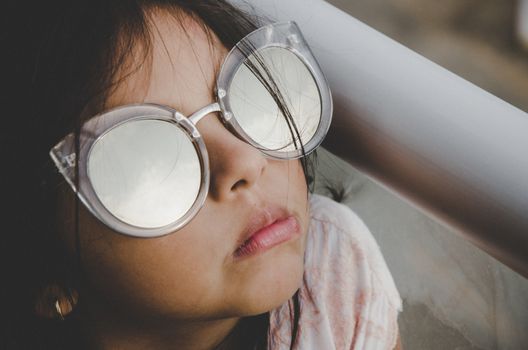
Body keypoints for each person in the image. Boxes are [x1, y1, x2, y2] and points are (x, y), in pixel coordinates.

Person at [3, 0, 402, 349]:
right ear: (44, 268)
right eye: (150, 152)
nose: (246, 160)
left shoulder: (334, 276)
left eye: (250, 94)